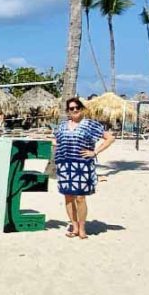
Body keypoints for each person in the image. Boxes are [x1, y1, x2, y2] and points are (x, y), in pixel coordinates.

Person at [53, 97, 115, 239]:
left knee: (80, 197)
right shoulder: (62, 126)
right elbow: (56, 141)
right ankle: (74, 227)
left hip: (82, 165)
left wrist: (95, 152)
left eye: (77, 107)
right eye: (71, 108)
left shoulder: (90, 124)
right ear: (68, 111)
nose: (75, 110)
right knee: (68, 197)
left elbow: (110, 138)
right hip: (64, 164)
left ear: (81, 109)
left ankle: (82, 228)